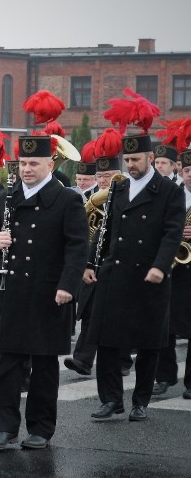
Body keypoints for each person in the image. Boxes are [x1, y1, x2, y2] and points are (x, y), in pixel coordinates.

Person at [0, 134, 88, 451]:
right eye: (23, 163)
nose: (26, 169)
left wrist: (68, 285)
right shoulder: (6, 197)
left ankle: (41, 429)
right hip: (13, 291)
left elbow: (77, 246)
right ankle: (3, 428)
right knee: (6, 363)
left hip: (49, 292)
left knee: (43, 365)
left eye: (33, 164)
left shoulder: (66, 199)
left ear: (50, 164)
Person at [86, 133, 184, 421]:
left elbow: (172, 232)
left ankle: (141, 401)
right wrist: (91, 262)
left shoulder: (168, 191)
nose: (130, 164)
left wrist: (160, 265)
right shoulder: (119, 188)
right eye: (127, 160)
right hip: (115, 272)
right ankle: (112, 400)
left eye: (135, 159)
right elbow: (107, 230)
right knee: (106, 340)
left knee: (148, 342)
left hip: (149, 276)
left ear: (150, 159)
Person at [64, 152, 124, 378]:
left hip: (118, 263)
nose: (102, 181)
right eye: (99, 176)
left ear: (118, 176)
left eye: (107, 176)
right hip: (94, 263)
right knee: (90, 311)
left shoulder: (126, 198)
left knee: (116, 315)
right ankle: (83, 359)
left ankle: (123, 359)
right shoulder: (95, 199)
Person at [154, 148, 191, 398]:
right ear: (180, 170)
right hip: (174, 268)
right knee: (164, 323)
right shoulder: (172, 194)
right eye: (188, 170)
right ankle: (164, 375)